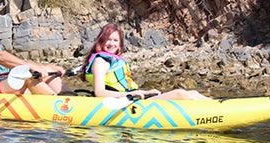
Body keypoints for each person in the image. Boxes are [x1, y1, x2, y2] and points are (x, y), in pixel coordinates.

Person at [80, 23, 211, 100]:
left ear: (120, 44)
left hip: (132, 98)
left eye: (115, 40)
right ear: (101, 40)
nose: (111, 44)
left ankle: (216, 104)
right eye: (108, 39)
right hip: (124, 101)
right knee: (180, 93)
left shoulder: (112, 60)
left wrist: (144, 92)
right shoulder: (100, 62)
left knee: (192, 93)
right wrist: (132, 93)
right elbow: (99, 92)